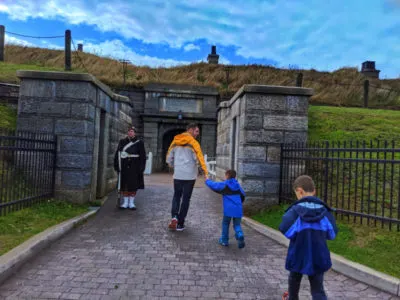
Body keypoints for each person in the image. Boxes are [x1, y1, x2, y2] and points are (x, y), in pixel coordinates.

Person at [279, 175, 338, 300]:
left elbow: (285, 229)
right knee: (318, 289)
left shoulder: (294, 211)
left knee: (293, 283)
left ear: (299, 191)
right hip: (319, 254)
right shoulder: (325, 212)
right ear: (314, 191)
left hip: (298, 253)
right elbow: (332, 234)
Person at [166, 123, 208, 231]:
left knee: (176, 196)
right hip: (190, 176)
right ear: (190, 130)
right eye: (196, 131)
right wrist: (204, 172)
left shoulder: (175, 140)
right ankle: (180, 223)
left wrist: (172, 165)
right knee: (186, 199)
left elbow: (168, 157)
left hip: (178, 174)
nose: (198, 134)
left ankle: (174, 217)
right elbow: (199, 158)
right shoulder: (194, 143)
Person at [205, 169, 246, 248]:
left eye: (225, 175)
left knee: (225, 223)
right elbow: (243, 195)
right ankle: (239, 234)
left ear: (227, 175)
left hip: (228, 209)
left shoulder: (225, 184)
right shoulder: (238, 185)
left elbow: (214, 185)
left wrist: (207, 180)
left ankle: (224, 240)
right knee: (237, 224)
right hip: (238, 208)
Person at [113, 126, 146, 210]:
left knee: (133, 185)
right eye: (129, 131)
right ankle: (125, 202)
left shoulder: (139, 142)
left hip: (135, 166)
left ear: (134, 133)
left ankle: (131, 203)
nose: (130, 132)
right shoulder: (122, 141)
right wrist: (117, 165)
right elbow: (118, 154)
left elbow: (142, 156)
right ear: (127, 132)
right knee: (124, 184)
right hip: (124, 166)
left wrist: (142, 167)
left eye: (132, 131)